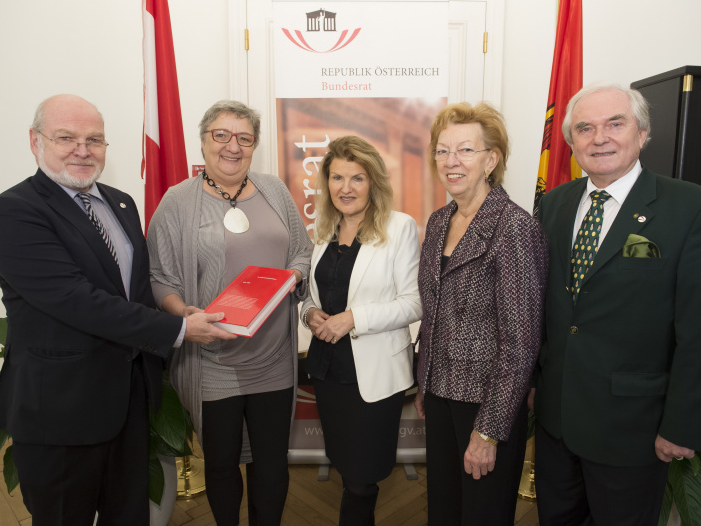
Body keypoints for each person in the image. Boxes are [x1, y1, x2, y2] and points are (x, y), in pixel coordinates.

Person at [0, 94, 235, 525]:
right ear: (35, 140)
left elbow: (133, 290)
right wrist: (178, 329)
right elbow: (75, 300)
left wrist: (176, 310)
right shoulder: (13, 211)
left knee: (129, 515)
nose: (82, 150)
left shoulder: (121, 203)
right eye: (66, 138)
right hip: (60, 411)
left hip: (128, 404)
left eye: (94, 140)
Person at [530, 83, 701, 525]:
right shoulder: (554, 204)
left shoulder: (694, 209)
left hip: (633, 430)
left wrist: (681, 426)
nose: (599, 138)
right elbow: (544, 309)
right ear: (571, 142)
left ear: (642, 133)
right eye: (585, 128)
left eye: (615, 124)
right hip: (556, 422)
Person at [147, 100, 313, 526]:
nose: (232, 146)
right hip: (211, 361)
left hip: (274, 358)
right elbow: (160, 276)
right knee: (221, 465)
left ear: (255, 144)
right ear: (203, 141)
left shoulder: (274, 190)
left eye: (244, 137)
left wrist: (292, 276)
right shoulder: (177, 202)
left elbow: (301, 251)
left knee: (272, 465)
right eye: (221, 135)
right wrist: (184, 316)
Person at [414, 102, 548, 525]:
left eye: (465, 150)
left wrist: (488, 429)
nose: (451, 161)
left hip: (487, 404)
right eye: (442, 150)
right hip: (439, 395)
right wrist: (424, 383)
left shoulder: (514, 227)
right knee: (444, 511)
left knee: (481, 514)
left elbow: (520, 343)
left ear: (491, 160)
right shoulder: (440, 221)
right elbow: (433, 314)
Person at [300, 136, 423, 525]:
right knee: (344, 466)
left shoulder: (398, 227)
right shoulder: (324, 228)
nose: (346, 188)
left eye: (357, 178)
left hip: (373, 375)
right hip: (327, 370)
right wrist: (309, 314)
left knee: (362, 478)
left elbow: (414, 303)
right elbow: (313, 295)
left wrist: (354, 317)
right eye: (337, 177)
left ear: (374, 182)